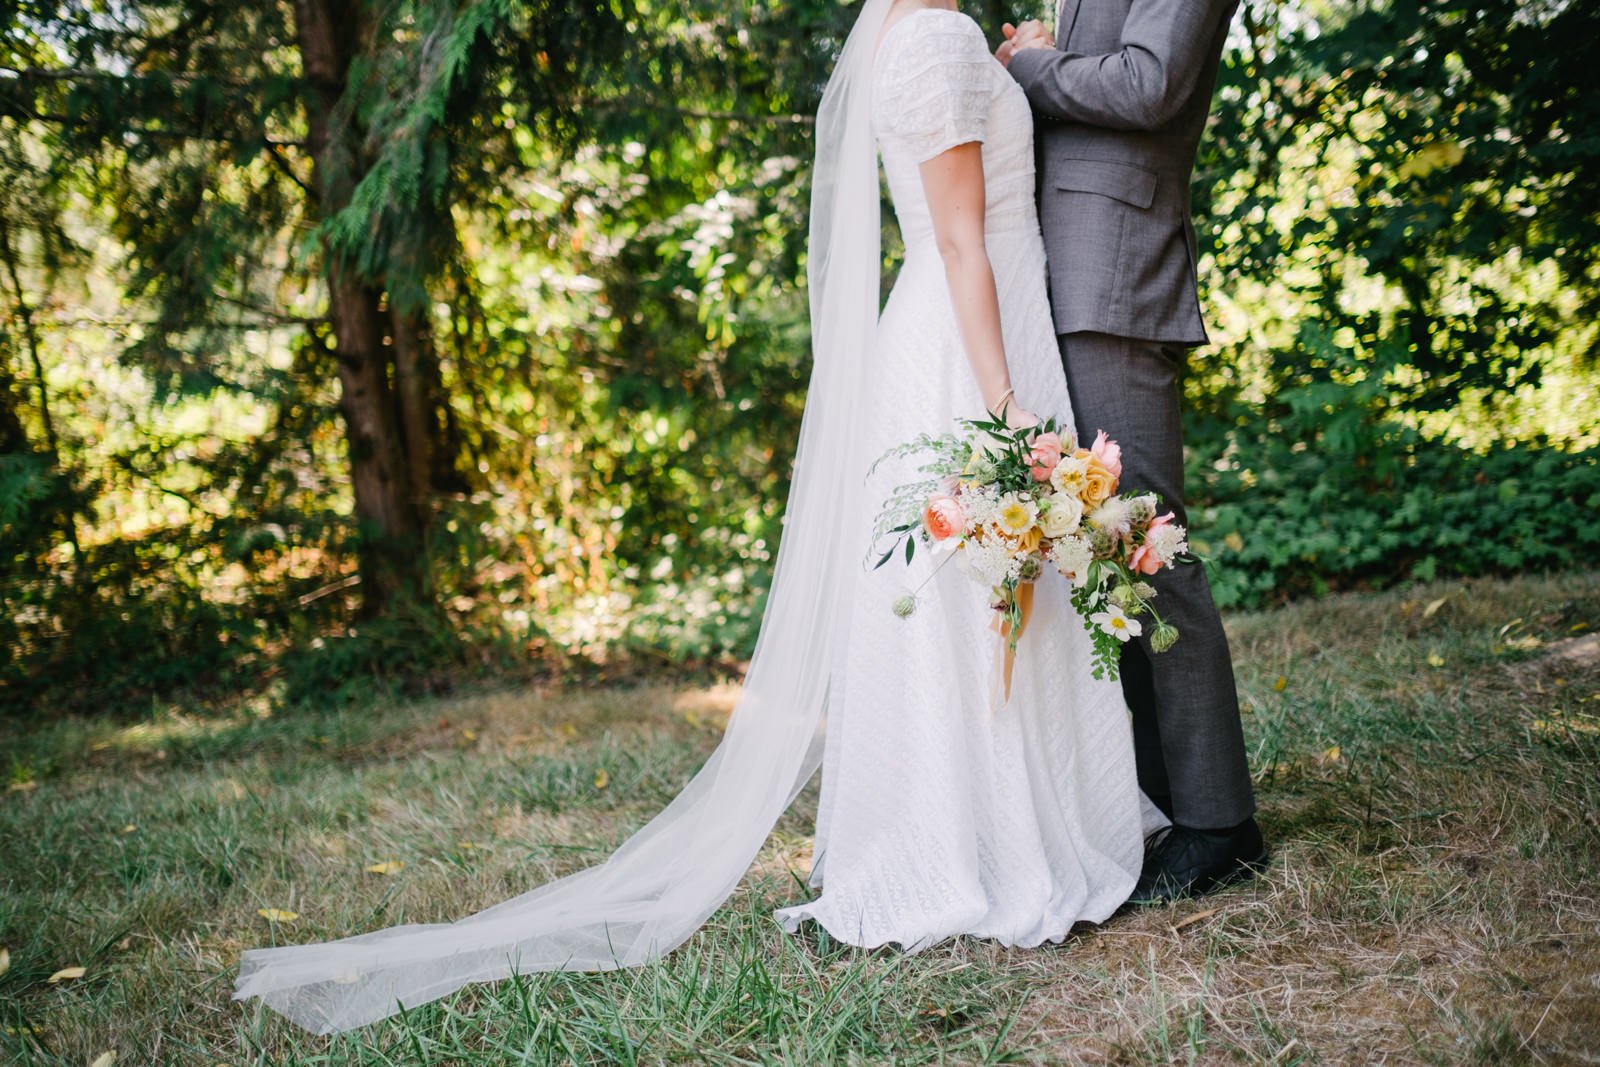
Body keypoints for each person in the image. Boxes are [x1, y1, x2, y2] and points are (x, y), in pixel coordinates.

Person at [231, 0, 1164, 1035]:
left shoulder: (920, 35)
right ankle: (973, 846)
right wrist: (1002, 405)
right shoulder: (937, 41)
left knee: (971, 595)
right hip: (969, 347)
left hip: (969, 329)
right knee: (971, 594)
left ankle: (990, 827)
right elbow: (955, 239)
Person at [997, 0, 1269, 902]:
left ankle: (1219, 822)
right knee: (1105, 557)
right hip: (1062, 273)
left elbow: (1148, 85)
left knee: (1151, 548)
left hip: (1115, 274)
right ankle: (1153, 798)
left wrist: (1034, 64)